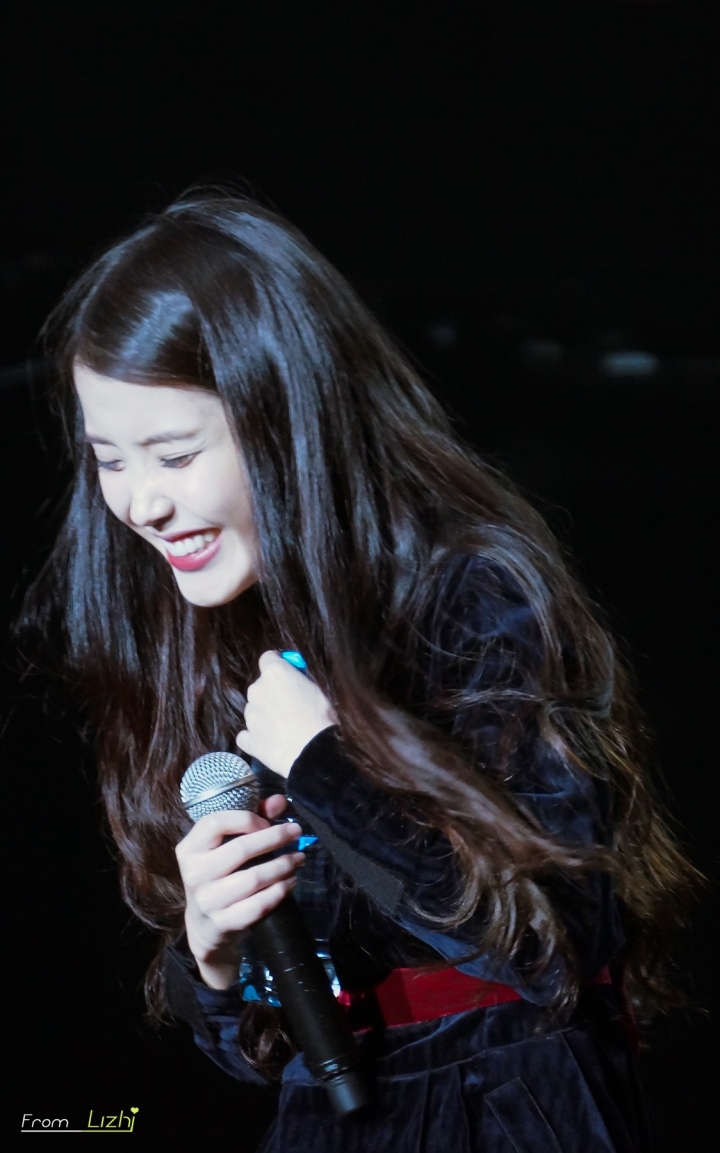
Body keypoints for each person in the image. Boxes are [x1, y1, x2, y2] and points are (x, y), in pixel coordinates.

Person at [21, 189, 695, 1152]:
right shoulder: (199, 632)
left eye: (173, 454)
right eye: (110, 460)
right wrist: (213, 955)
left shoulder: (471, 592)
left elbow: (551, 946)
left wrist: (325, 763)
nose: (141, 503)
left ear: (284, 420)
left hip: (508, 1108)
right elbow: (260, 1050)